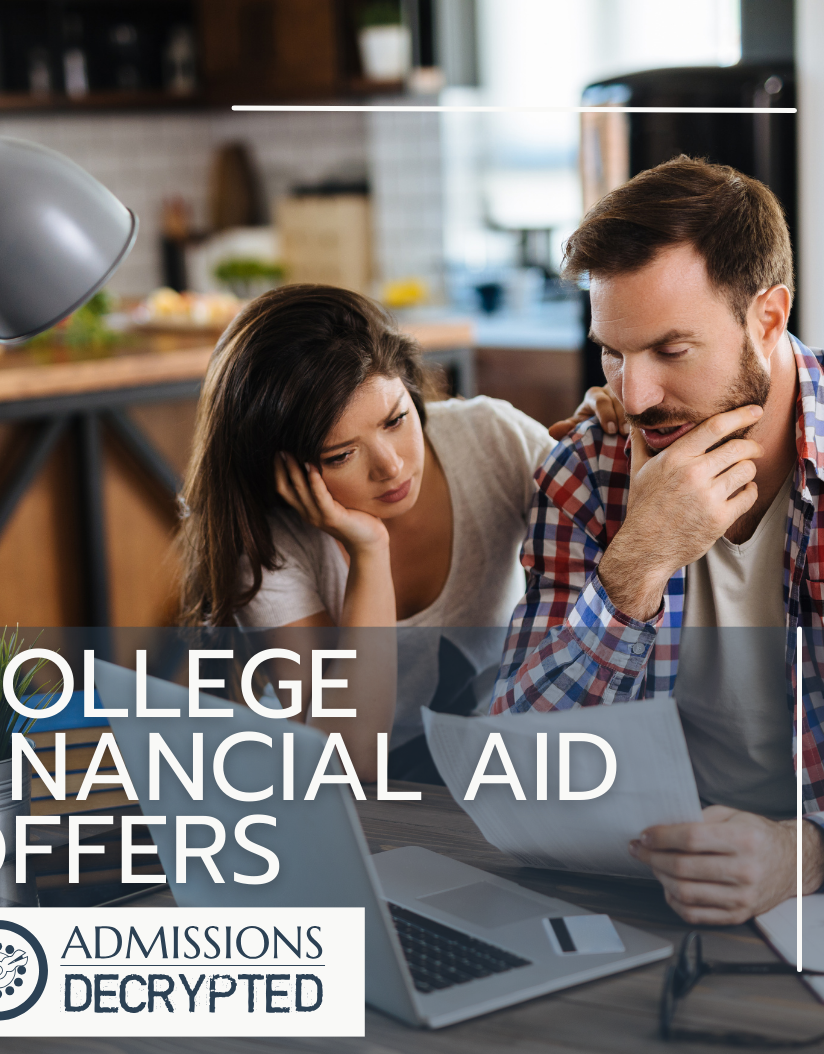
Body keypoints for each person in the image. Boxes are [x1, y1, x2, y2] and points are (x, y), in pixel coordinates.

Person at [491, 156, 824, 924]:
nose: (636, 395)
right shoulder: (585, 471)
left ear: (768, 318)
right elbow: (513, 767)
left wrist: (804, 854)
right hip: (647, 889)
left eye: (670, 351)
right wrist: (635, 565)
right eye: (613, 353)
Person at [178, 284, 623, 781]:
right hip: (347, 801)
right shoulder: (268, 544)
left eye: (395, 420)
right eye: (341, 455)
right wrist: (368, 551)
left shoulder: (490, 440)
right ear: (280, 468)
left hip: (486, 774)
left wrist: (604, 445)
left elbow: (617, 547)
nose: (390, 467)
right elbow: (345, 764)